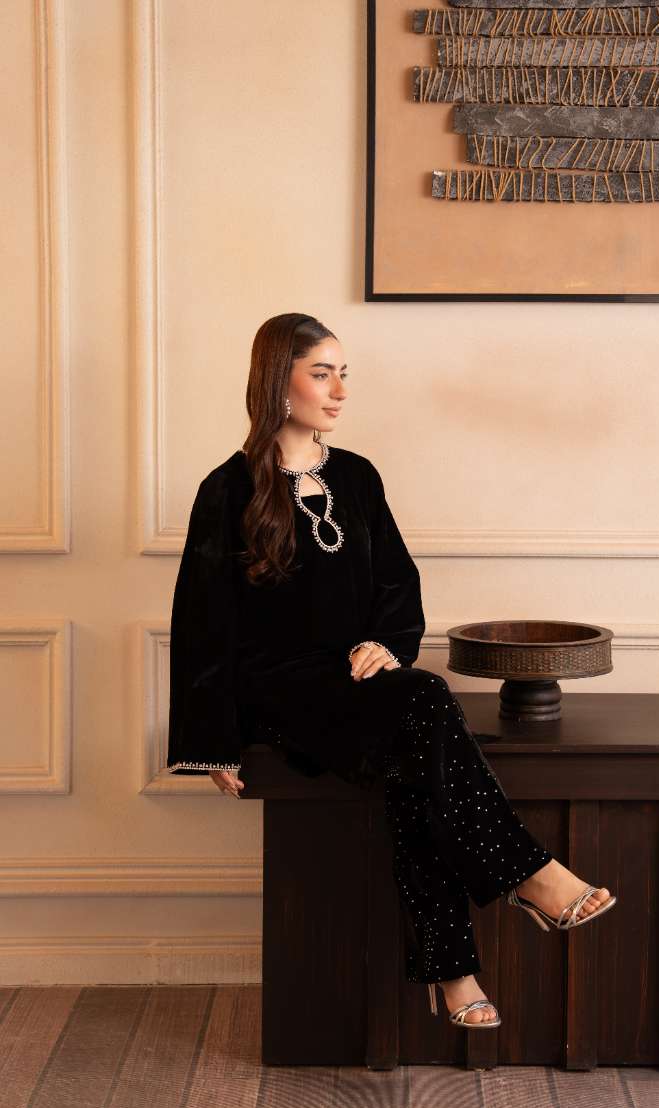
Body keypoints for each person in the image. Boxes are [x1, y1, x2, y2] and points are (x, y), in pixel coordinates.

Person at [167, 313, 616, 1029]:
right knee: (427, 700)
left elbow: (397, 585)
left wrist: (386, 643)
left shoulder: (357, 476)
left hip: (355, 686)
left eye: (344, 375)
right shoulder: (227, 489)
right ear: (277, 380)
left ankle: (454, 971)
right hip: (277, 692)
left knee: (417, 762)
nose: (340, 391)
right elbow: (201, 621)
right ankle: (529, 876)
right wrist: (211, 742)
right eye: (322, 374)